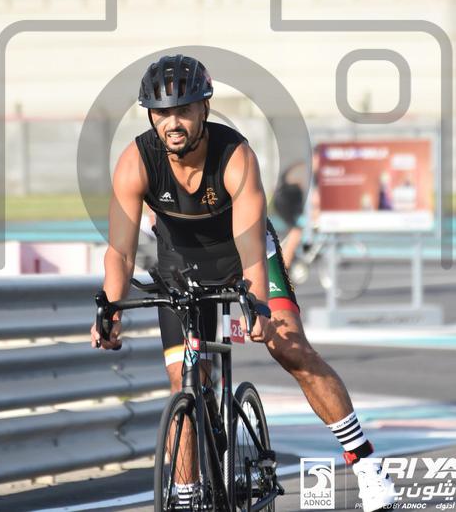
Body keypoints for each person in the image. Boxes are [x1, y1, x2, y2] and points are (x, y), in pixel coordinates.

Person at [91, 54, 396, 512]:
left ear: (204, 108)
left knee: (289, 347)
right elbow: (120, 252)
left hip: (244, 255)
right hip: (182, 266)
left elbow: (251, 247)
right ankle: (188, 495)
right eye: (161, 113)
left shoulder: (235, 157)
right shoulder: (136, 161)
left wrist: (257, 305)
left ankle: (366, 464)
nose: (172, 123)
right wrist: (110, 309)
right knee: (184, 379)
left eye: (183, 110)